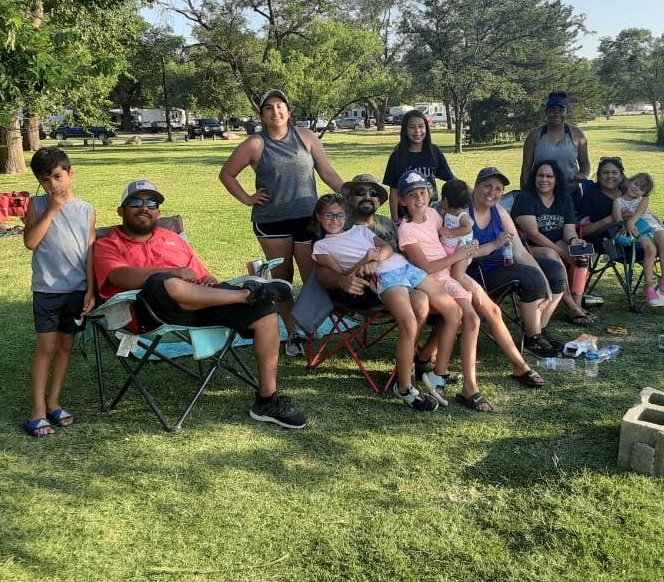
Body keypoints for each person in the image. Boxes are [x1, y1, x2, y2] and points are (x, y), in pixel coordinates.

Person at [94, 180, 308, 429]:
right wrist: (172, 272)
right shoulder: (107, 244)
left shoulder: (173, 239)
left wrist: (208, 280)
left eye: (151, 203)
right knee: (163, 282)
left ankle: (267, 400)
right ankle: (246, 294)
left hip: (198, 304)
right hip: (149, 313)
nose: (144, 207)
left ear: (158, 212)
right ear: (121, 211)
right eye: (135, 202)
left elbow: (202, 276)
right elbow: (118, 276)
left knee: (265, 310)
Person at [398, 172, 544, 403]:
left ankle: (518, 366)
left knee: (491, 311)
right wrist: (460, 257)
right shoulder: (411, 228)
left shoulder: (435, 215)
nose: (419, 198)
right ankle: (459, 382)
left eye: (423, 193)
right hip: (437, 279)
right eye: (412, 194)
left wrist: (480, 246)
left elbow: (451, 240)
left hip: (453, 273)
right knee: (472, 319)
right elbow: (426, 266)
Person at [219, 89, 344, 358]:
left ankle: (310, 323)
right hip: (272, 222)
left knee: (312, 275)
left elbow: (326, 171)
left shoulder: (306, 137)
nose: (275, 112)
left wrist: (350, 194)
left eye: (280, 106)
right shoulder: (255, 144)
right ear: (262, 115)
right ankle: (293, 332)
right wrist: (248, 198)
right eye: (269, 108)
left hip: (307, 219)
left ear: (288, 111)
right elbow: (227, 174)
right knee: (282, 278)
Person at [311, 192, 462, 411]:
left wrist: (375, 259)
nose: (334, 220)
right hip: (386, 277)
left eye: (339, 215)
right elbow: (343, 275)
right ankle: (404, 387)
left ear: (346, 215)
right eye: (328, 215)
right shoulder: (322, 247)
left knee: (453, 311)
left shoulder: (361, 230)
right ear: (318, 217)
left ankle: (437, 374)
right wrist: (365, 261)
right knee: (409, 322)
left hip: (405, 267)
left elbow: (388, 248)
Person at [22, 148, 96, 437]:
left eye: (57, 176)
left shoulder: (86, 209)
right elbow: (31, 242)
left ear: (70, 174)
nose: (53, 185)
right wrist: (51, 210)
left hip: (76, 290)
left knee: (66, 347)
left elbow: (90, 251)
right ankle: (37, 411)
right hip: (47, 290)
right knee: (46, 349)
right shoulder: (37, 205)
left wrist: (91, 289)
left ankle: (53, 403)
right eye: (45, 180)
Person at [581, 157, 664, 316]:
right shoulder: (592, 197)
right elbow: (584, 231)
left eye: (614, 172)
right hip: (621, 242)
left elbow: (648, 214)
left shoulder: (630, 191)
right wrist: (611, 219)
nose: (610, 176)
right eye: (605, 173)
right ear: (598, 175)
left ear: (622, 175)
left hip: (646, 231)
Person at [467, 167, 566, 358]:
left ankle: (539, 330)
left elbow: (519, 251)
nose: (492, 192)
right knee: (530, 278)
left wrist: (545, 281)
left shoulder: (499, 212)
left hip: (504, 265)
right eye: (487, 186)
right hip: (477, 272)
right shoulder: (465, 214)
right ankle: (533, 339)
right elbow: (460, 254)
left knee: (554, 271)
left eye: (498, 189)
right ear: (476, 186)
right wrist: (493, 245)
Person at [510, 160, 596, 325]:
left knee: (581, 253)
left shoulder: (564, 198)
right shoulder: (525, 198)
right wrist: (561, 251)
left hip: (556, 241)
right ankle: (573, 307)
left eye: (549, 176)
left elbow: (569, 231)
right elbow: (533, 234)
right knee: (552, 254)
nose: (544, 180)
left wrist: (574, 241)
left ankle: (576, 303)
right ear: (534, 178)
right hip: (527, 247)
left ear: (556, 179)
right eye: (540, 175)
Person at [612, 172, 664, 307]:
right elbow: (618, 222)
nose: (636, 189)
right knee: (650, 250)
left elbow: (640, 212)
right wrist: (626, 224)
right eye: (636, 184)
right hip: (639, 230)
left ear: (644, 193)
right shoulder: (617, 202)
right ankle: (648, 285)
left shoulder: (644, 199)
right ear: (629, 181)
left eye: (641, 189)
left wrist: (631, 221)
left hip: (652, 226)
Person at [520, 91, 590, 211]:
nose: (556, 114)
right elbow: (526, 168)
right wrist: (525, 195)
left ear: (566, 111)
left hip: (570, 192)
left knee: (574, 222)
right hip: (541, 193)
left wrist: (582, 174)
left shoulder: (577, 134)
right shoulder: (535, 135)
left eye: (561, 110)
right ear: (546, 112)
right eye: (552, 110)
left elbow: (585, 164)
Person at [382, 109, 453, 223]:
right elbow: (394, 191)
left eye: (421, 126)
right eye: (411, 127)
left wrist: (468, 190)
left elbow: (450, 178)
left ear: (426, 128)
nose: (417, 131)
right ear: (405, 130)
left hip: (430, 214)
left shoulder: (433, 151)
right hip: (407, 217)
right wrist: (395, 220)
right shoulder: (397, 156)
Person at [438, 178, 475, 293]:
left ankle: (475, 292)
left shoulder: (462, 215)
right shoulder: (446, 212)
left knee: (457, 276)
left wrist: (450, 232)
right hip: (448, 249)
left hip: (462, 250)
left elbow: (467, 229)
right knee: (447, 274)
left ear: (446, 200)